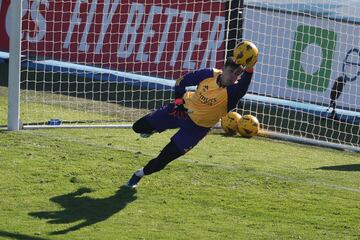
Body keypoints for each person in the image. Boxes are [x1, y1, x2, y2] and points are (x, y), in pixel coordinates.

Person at [126, 40, 259, 188]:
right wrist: (178, 102)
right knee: (138, 127)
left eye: (237, 74)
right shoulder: (208, 74)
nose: (233, 76)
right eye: (231, 72)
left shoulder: (235, 92)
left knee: (162, 160)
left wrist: (250, 66)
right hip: (181, 111)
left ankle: (139, 174)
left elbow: (246, 79)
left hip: (196, 129)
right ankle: (152, 129)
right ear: (223, 69)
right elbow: (180, 82)